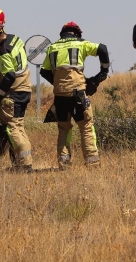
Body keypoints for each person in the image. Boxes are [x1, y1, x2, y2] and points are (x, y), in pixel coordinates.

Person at [39, 22, 110, 169]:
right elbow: (102, 48)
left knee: (64, 128)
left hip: (60, 96)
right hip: (78, 94)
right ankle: (92, 163)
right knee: (86, 126)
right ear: (76, 34)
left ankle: (64, 164)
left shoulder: (52, 47)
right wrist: (103, 72)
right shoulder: (80, 43)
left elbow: (44, 71)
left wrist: (59, 83)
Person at [0, 17, 34, 171]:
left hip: (14, 92)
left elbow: (10, 76)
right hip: (25, 88)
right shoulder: (15, 40)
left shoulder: (3, 52)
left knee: (12, 129)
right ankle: (25, 162)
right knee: (19, 127)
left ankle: (25, 166)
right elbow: (16, 65)